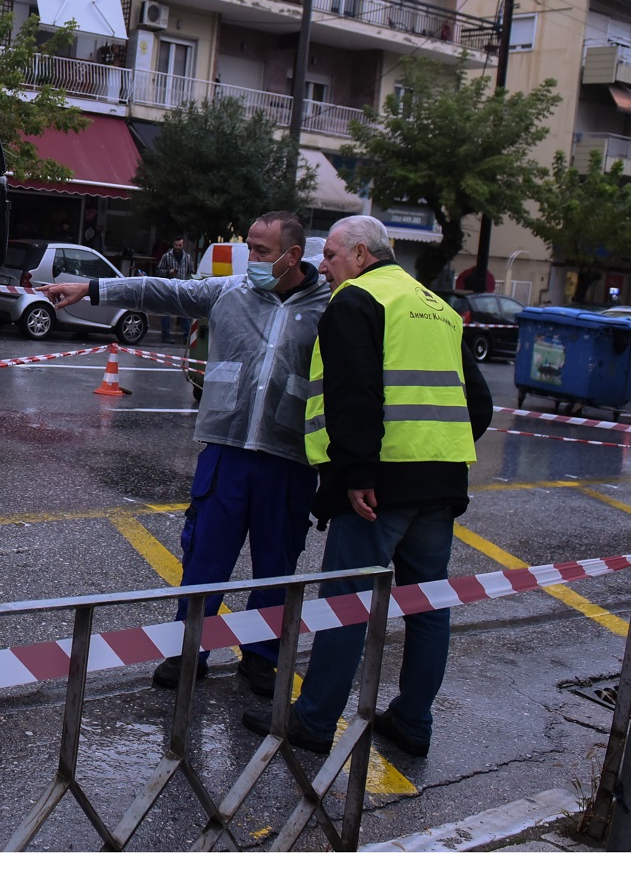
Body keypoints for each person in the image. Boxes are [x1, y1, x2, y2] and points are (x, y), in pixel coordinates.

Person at [43, 212, 330, 696]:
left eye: (262, 251)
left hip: (288, 456)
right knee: (205, 560)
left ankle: (261, 659)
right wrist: (90, 288)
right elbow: (159, 290)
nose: (251, 259)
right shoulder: (230, 292)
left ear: (293, 255)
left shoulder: (329, 306)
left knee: (277, 567)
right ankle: (188, 651)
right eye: (250, 248)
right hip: (226, 451)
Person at [241, 215, 492, 757]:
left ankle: (314, 720)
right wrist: (438, 455)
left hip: (377, 487)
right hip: (441, 481)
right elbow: (479, 404)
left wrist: (356, 474)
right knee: (428, 605)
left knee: (347, 604)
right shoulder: (439, 308)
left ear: (360, 254)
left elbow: (352, 394)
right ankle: (414, 722)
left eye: (331, 255)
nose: (323, 265)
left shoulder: (356, 300)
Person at [155, 237, 195, 343]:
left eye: (180, 245)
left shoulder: (187, 257)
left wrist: (189, 284)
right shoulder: (167, 256)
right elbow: (158, 271)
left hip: (182, 289)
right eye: (176, 245)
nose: (177, 247)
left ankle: (187, 336)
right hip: (169, 289)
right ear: (173, 244)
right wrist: (168, 272)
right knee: (166, 313)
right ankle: (166, 335)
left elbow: (191, 273)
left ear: (183, 245)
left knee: (184, 313)